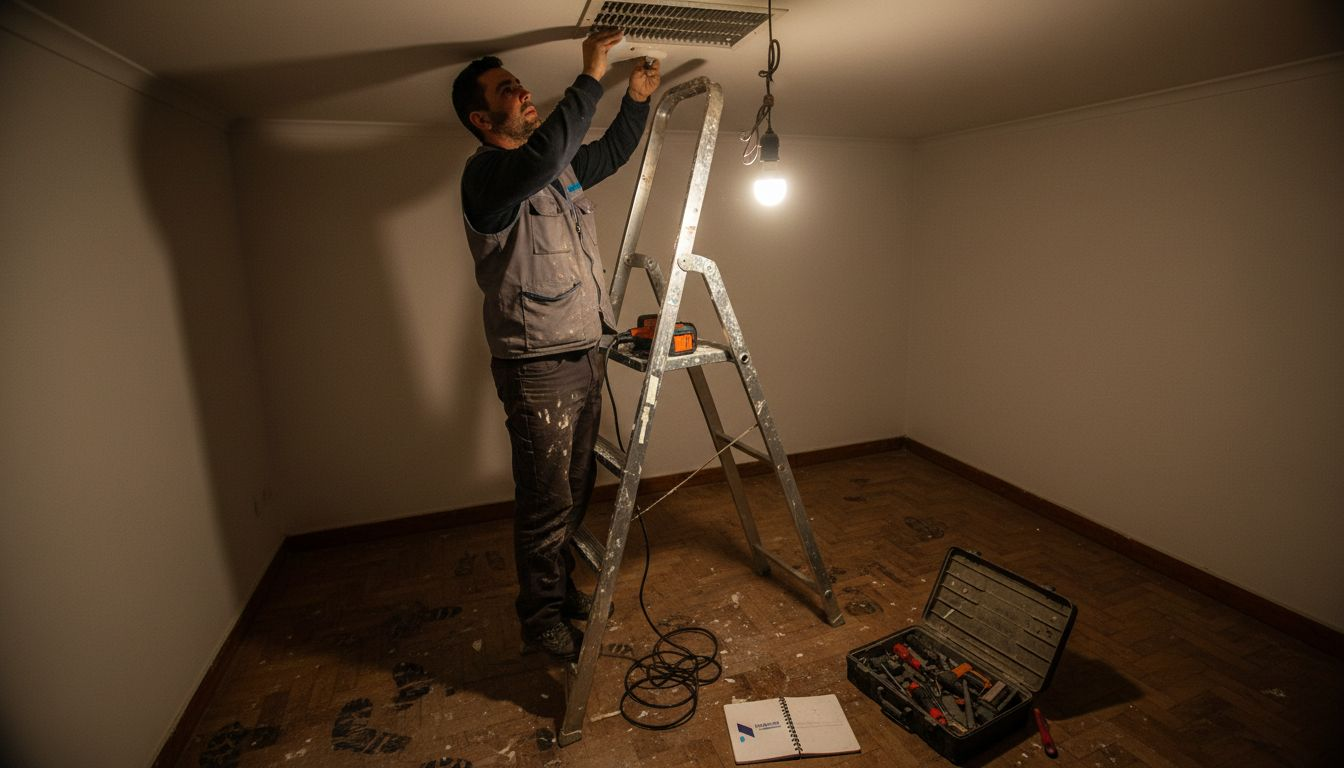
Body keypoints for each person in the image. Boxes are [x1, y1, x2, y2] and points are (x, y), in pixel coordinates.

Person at [452, 29, 660, 662]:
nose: (522, 93)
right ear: (482, 119)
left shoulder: (557, 169)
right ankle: (539, 616)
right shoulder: (488, 176)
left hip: (583, 350)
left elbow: (608, 153)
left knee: (575, 481)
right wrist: (591, 75)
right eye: (506, 92)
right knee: (546, 497)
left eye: (518, 84)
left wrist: (636, 102)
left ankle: (561, 589)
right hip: (535, 364)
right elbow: (544, 156)